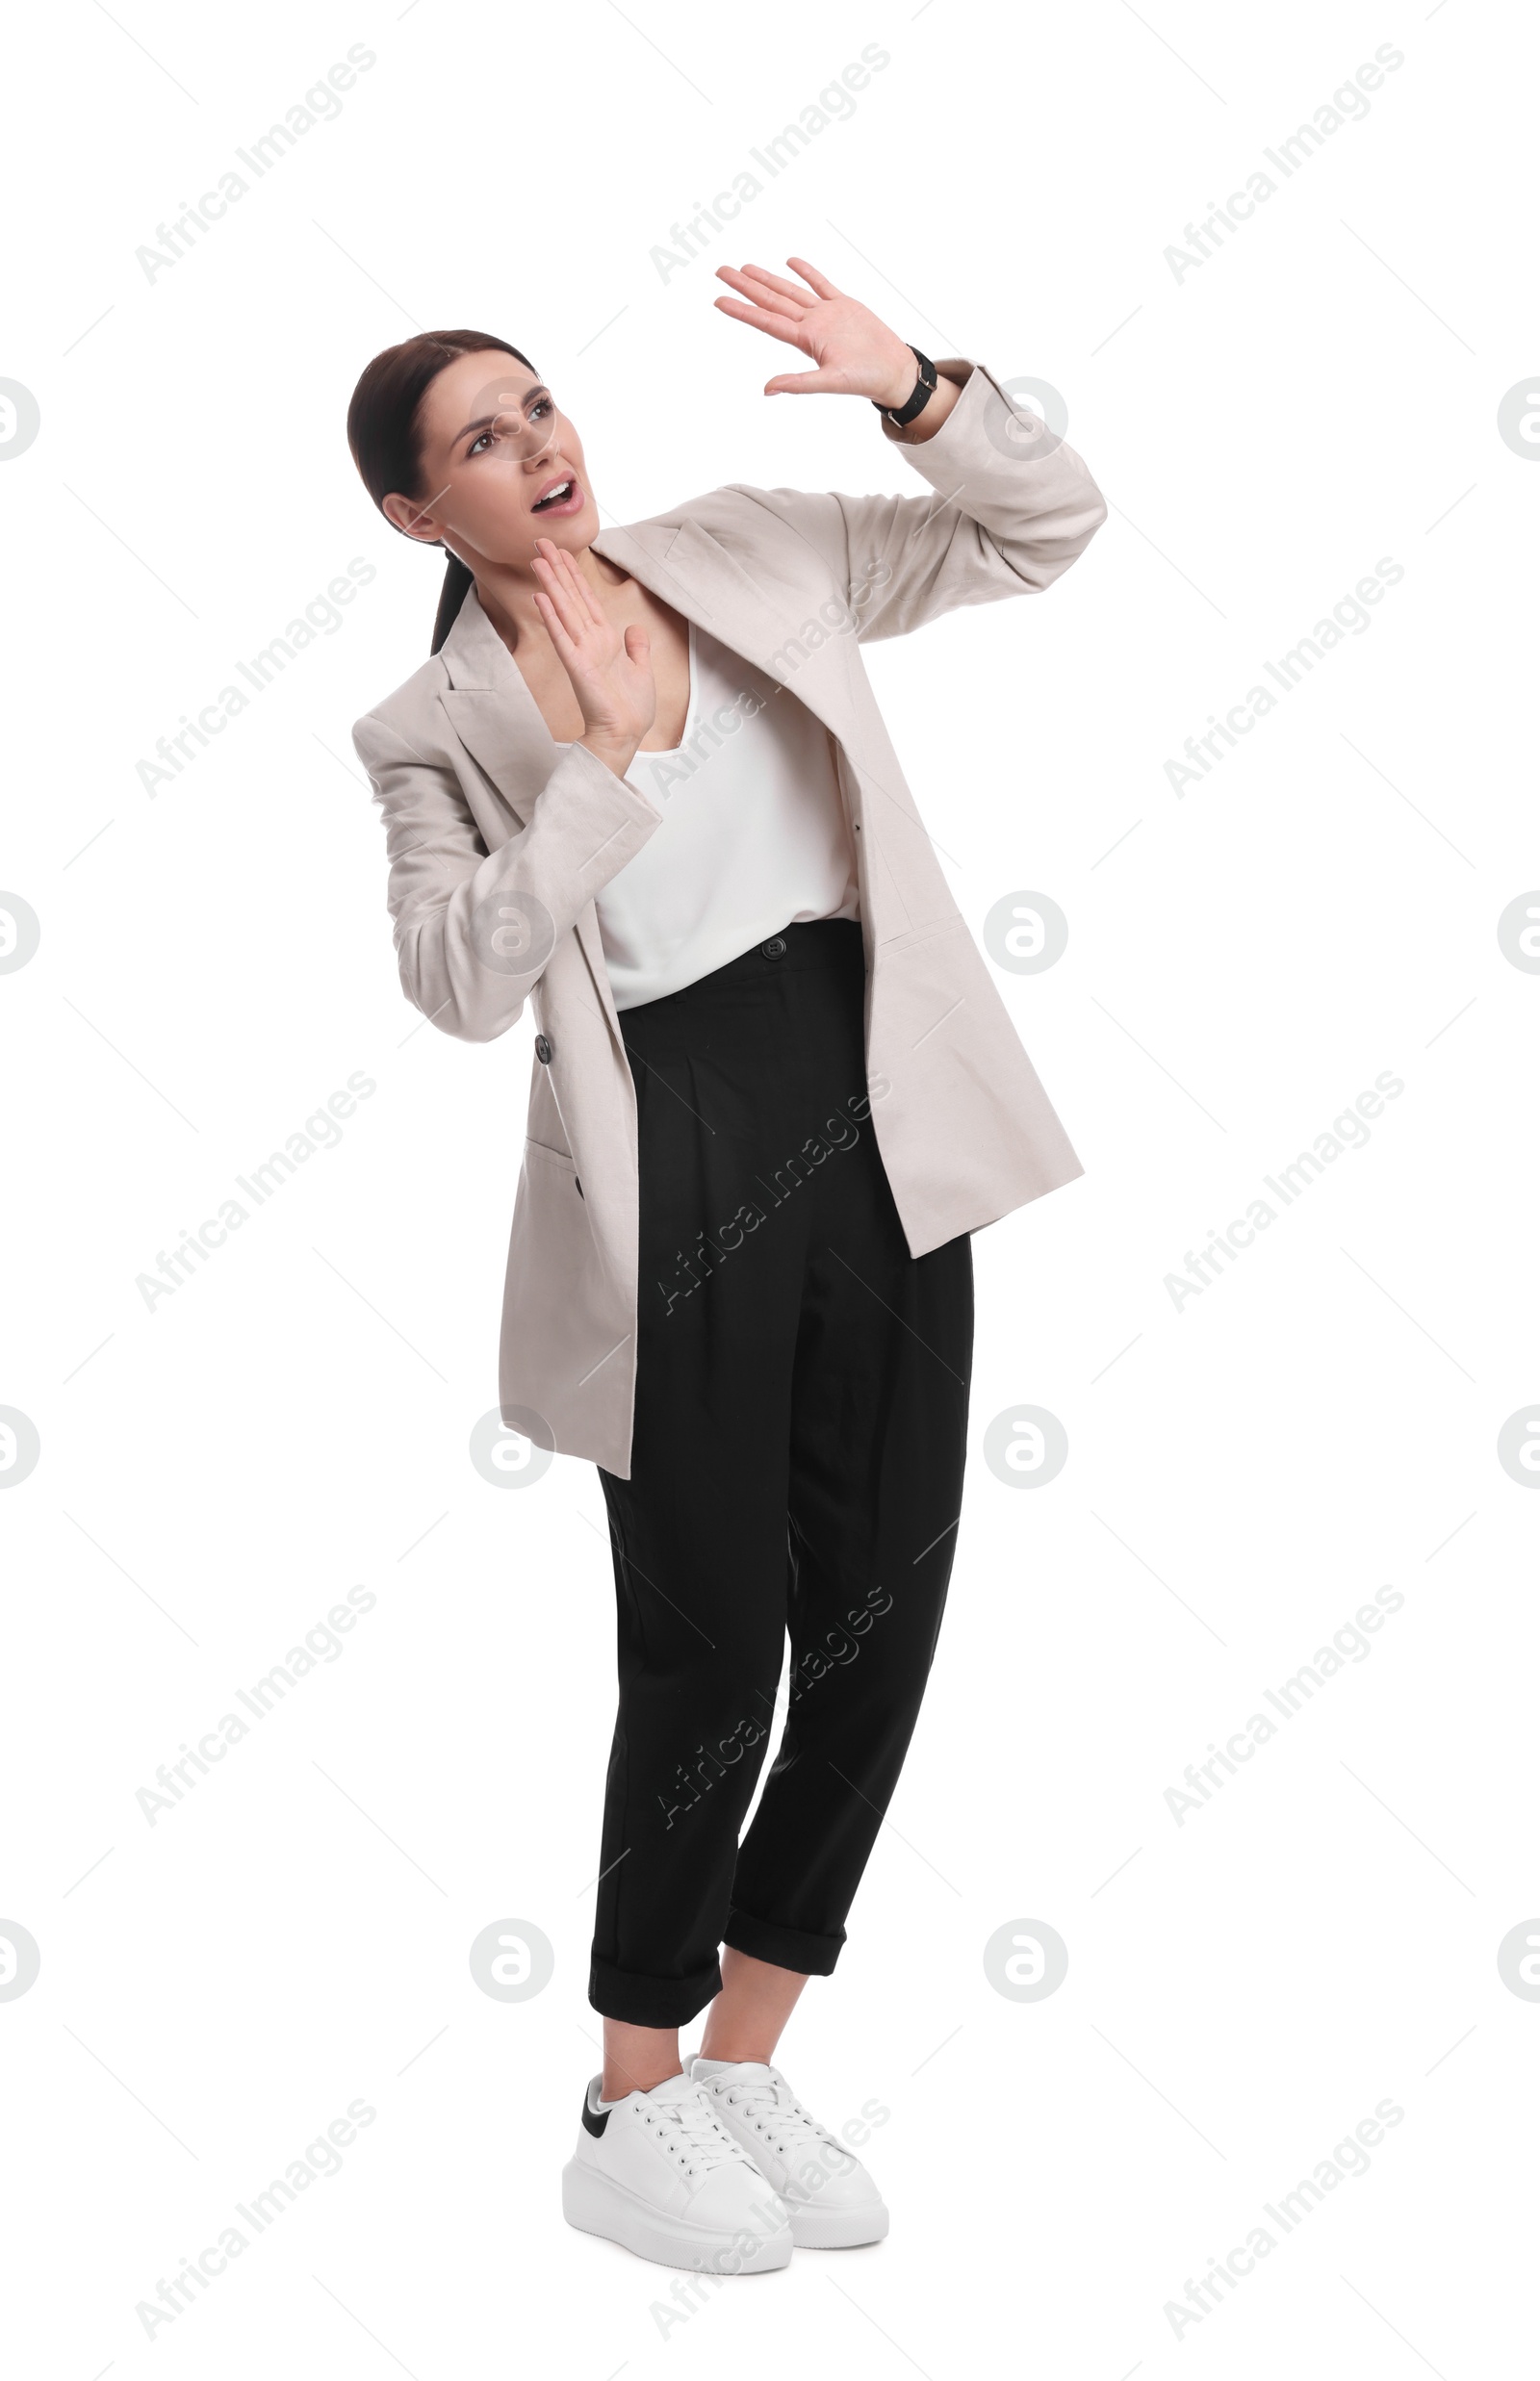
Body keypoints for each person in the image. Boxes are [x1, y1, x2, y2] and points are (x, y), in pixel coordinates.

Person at [346, 257, 1106, 2275]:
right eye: (480, 442)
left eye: (540, 405)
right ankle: (633, 2084)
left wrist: (920, 388)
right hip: (668, 1142)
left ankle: (746, 2055)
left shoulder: (747, 547)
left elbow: (1041, 534)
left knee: (878, 1596)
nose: (539, 448)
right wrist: (593, 772)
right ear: (417, 517)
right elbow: (451, 978)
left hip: (873, 1097)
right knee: (708, 1633)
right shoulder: (425, 727)